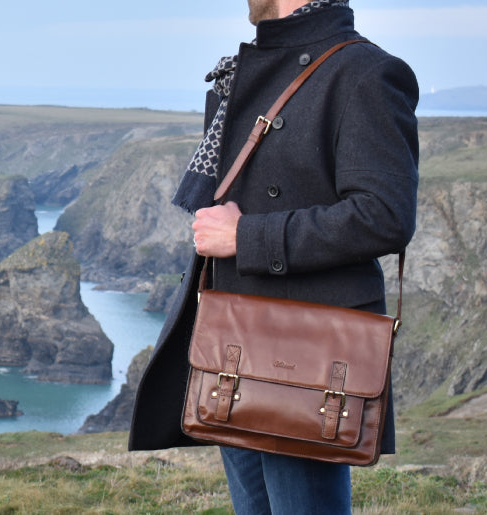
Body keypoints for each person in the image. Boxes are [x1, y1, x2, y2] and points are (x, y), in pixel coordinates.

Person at [127, 0, 418, 513]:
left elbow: (384, 216)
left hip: (305, 356)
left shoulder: (365, 73)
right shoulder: (240, 73)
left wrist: (248, 237)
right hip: (233, 346)